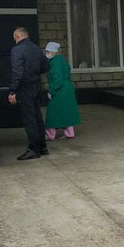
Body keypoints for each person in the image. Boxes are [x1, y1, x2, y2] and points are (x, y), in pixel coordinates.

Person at [8, 27, 50, 161]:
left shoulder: (17, 50)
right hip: (36, 86)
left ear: (17, 36)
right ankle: (43, 147)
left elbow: (17, 72)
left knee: (29, 120)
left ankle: (33, 149)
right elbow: (46, 67)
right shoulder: (36, 48)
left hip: (25, 88)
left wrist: (13, 90)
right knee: (38, 117)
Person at [43, 42, 81, 140]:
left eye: (48, 51)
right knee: (66, 111)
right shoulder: (62, 60)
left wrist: (51, 91)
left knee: (52, 113)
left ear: (53, 52)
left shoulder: (55, 61)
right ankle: (69, 133)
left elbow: (57, 78)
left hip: (59, 89)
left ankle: (50, 134)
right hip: (67, 88)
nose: (47, 53)